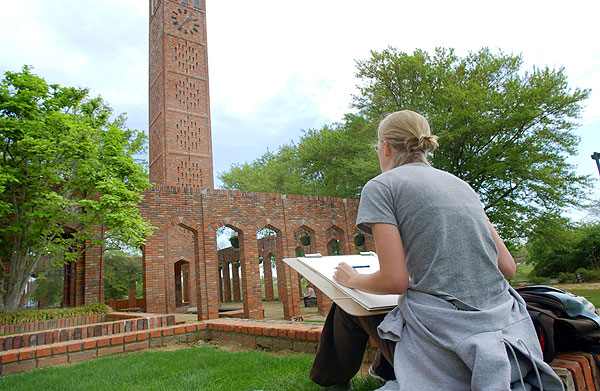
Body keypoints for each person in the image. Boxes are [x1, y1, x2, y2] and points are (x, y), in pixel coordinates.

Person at [309, 110, 563, 391]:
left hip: (445, 347)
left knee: (348, 302)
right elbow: (508, 267)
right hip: (507, 333)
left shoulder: (381, 187)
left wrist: (352, 279)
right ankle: (381, 370)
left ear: (384, 147)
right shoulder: (462, 186)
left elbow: (395, 281)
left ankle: (332, 382)